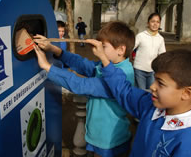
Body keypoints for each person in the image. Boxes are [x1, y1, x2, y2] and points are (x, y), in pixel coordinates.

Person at [85, 41, 191, 156]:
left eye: (160, 83)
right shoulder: (150, 105)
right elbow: (124, 90)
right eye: (155, 79)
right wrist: (104, 59)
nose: (152, 86)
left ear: (187, 93)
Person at [34, 21, 135, 157]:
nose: (98, 49)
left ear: (120, 50)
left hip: (108, 141)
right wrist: (55, 50)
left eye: (103, 46)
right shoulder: (109, 66)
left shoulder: (121, 75)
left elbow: (81, 85)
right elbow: (84, 65)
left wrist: (48, 67)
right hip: (99, 136)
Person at [133, 12, 166, 90]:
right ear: (148, 23)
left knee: (151, 91)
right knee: (141, 92)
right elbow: (131, 47)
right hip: (139, 69)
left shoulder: (160, 39)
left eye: (157, 22)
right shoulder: (141, 36)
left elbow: (163, 55)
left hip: (152, 71)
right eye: (153, 21)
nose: (155, 24)